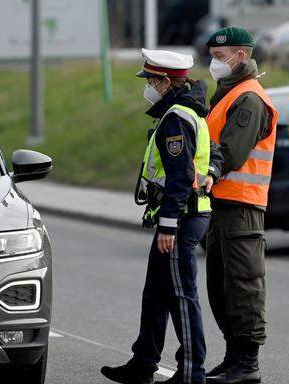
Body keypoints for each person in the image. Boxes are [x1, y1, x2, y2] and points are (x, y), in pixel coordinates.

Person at [101, 49, 221, 384]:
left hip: (182, 218)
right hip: (181, 215)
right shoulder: (191, 110)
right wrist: (211, 170)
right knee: (156, 291)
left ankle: (191, 372)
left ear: (166, 82)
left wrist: (168, 225)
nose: (149, 86)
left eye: (152, 81)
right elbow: (214, 151)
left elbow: (181, 177)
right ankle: (143, 362)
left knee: (181, 294)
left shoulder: (176, 117)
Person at [204, 27, 278, 384]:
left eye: (219, 57)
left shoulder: (249, 98)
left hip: (242, 206)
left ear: (241, 57)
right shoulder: (228, 94)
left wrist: (205, 168)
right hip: (221, 204)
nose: (213, 64)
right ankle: (234, 357)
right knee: (221, 287)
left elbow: (232, 152)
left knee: (243, 285)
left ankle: (247, 363)